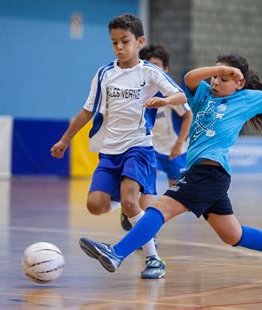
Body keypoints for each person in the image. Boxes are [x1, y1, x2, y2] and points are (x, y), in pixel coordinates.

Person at [78, 53, 262, 278]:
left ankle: (116, 253)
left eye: (224, 79)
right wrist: (218, 70)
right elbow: (190, 77)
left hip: (210, 172)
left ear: (239, 83)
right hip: (206, 175)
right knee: (232, 234)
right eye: (215, 76)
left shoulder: (246, 99)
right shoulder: (202, 95)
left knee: (161, 210)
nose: (216, 82)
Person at [50, 13, 186, 279]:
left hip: (139, 148)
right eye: (114, 43)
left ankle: (154, 260)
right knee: (95, 205)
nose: (120, 48)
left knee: (129, 198)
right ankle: (129, 209)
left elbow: (180, 94)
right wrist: (65, 139)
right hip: (110, 152)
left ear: (140, 41)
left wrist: (165, 102)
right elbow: (87, 111)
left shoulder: (150, 72)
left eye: (125, 41)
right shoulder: (104, 74)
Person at [120, 43, 193, 232]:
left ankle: (144, 218)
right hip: (149, 147)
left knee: (179, 195)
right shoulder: (138, 91)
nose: (154, 69)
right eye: (149, 64)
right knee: (147, 189)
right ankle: (145, 231)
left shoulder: (170, 92)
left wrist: (179, 144)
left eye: (158, 65)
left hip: (174, 149)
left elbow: (188, 116)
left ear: (165, 68)